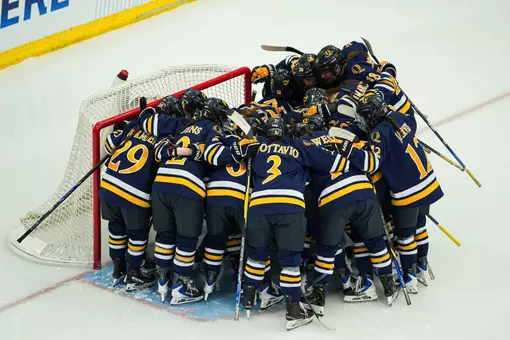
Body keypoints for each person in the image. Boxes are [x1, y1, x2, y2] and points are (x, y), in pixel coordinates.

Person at [238, 117, 351, 330]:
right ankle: (293, 309)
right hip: (290, 206)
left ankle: (248, 297)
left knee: (257, 254)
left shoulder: (257, 146)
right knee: (290, 259)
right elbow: (334, 164)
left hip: (259, 205)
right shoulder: (298, 145)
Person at [331, 90, 444, 293]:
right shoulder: (398, 117)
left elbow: (371, 163)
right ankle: (422, 266)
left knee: (405, 235)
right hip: (427, 181)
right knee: (420, 227)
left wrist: (348, 149)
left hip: (408, 190)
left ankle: (409, 279)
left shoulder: (379, 133)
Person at [146, 97, 229, 304]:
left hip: (161, 183)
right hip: (187, 187)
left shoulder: (184, 128)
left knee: (164, 235)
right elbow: (216, 156)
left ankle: (162, 282)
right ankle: (181, 286)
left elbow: (159, 150)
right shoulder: (212, 128)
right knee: (186, 239)